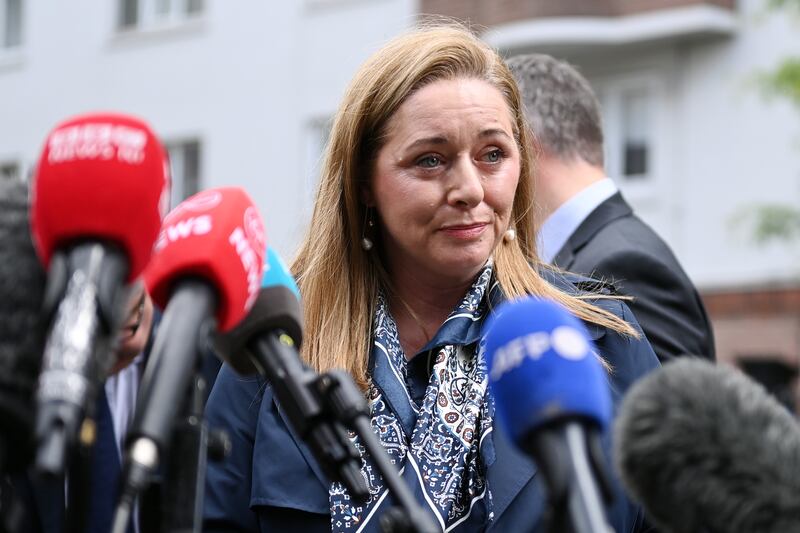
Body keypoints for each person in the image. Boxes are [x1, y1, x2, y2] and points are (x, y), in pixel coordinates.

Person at [203, 24, 660, 532]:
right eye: (430, 160)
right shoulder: (274, 353)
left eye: (493, 155)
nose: (469, 189)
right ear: (364, 184)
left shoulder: (600, 343)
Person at [507, 53, 716, 363]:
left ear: (527, 143)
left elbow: (678, 408)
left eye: (494, 150)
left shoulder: (623, 264)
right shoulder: (598, 251)